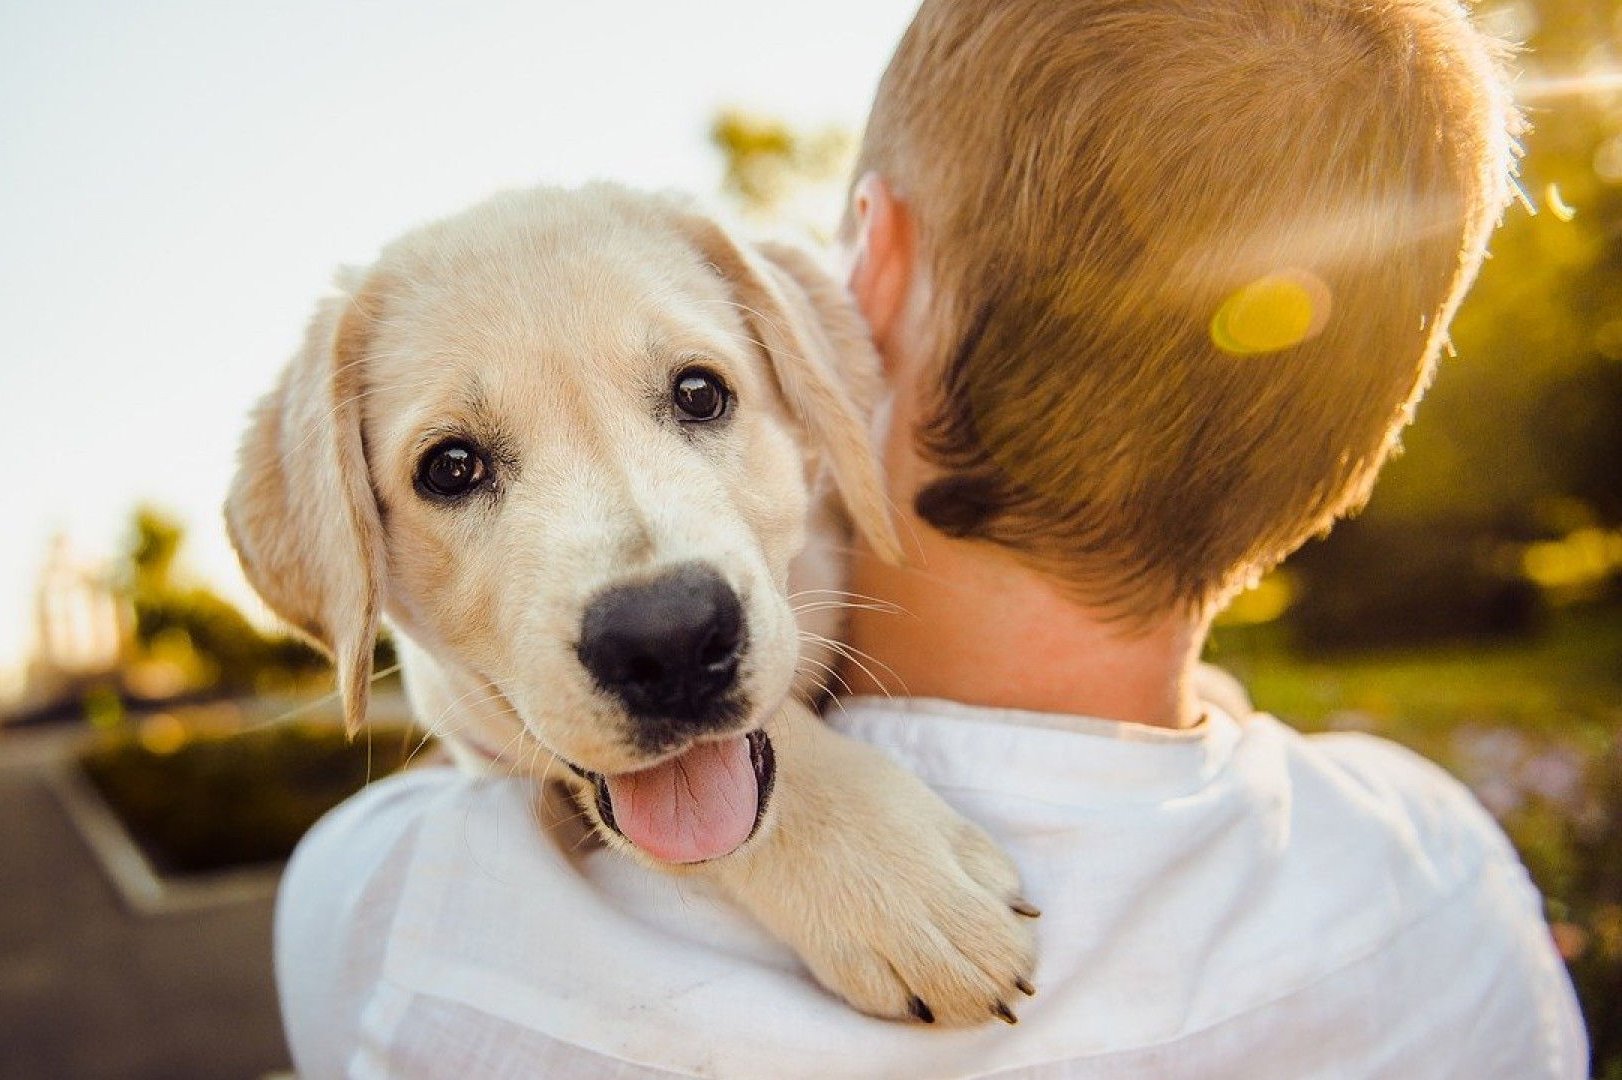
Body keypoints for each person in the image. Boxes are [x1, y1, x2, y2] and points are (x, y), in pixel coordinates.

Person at [274, 0, 1590, 1076]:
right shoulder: (1447, 875)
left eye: (695, 397)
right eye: (456, 467)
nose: (652, 588)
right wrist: (793, 804)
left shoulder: (397, 924)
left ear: (865, 290)